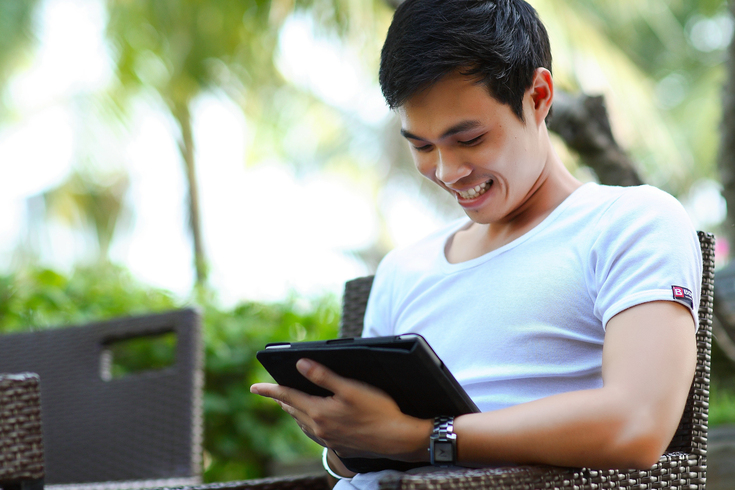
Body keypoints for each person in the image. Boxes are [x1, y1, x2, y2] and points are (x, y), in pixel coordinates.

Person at [250, 0, 703, 488]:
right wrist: (345, 438)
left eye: (469, 138)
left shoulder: (630, 223)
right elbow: (367, 449)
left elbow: (637, 424)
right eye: (421, 146)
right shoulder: (405, 268)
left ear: (539, 96)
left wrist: (423, 438)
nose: (446, 172)